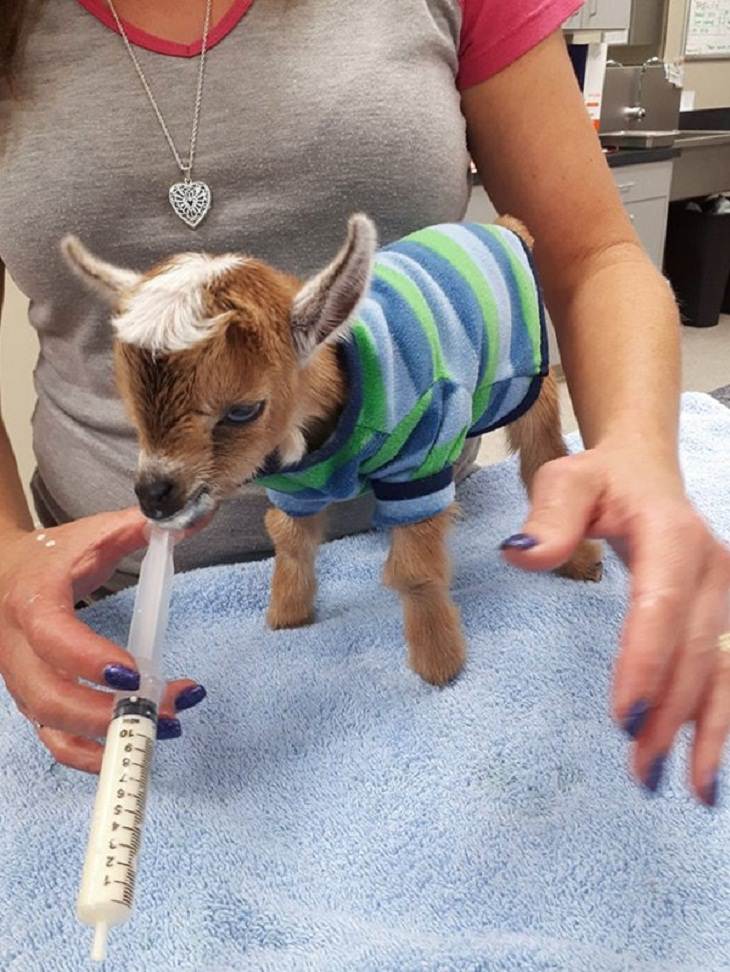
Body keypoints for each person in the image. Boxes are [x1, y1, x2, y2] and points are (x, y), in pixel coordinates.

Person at [0, 1, 728, 804]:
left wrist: (636, 451)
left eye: (235, 415)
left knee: (532, 423)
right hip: (104, 604)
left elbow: (592, 255)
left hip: (448, 569)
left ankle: (428, 610)